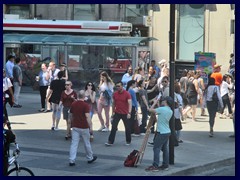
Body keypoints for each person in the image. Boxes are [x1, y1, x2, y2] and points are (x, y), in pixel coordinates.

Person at [69, 90, 97, 166]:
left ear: (78, 96)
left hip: (75, 126)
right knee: (86, 143)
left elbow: (71, 115)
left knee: (74, 144)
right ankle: (90, 157)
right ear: (84, 97)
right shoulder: (85, 105)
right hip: (84, 126)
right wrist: (90, 126)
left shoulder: (73, 104)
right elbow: (87, 116)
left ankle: (72, 160)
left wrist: (72, 123)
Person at [146, 96, 173, 172]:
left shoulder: (162, 109)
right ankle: (165, 165)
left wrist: (155, 102)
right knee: (165, 149)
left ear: (166, 102)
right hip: (167, 131)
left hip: (161, 132)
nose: (162, 101)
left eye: (163, 100)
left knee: (156, 148)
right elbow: (159, 113)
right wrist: (158, 104)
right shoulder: (170, 110)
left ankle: (155, 165)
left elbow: (150, 110)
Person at [105, 81, 132, 146]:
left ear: (122, 86)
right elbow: (114, 103)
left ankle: (128, 141)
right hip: (117, 112)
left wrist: (129, 113)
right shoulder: (115, 94)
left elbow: (130, 103)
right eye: (117, 86)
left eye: (119, 86)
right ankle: (110, 141)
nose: (118, 87)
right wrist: (113, 112)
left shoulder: (127, 94)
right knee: (114, 127)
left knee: (127, 127)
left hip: (125, 113)